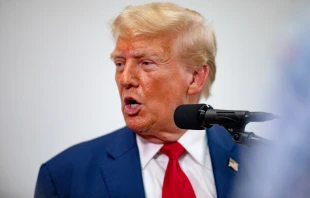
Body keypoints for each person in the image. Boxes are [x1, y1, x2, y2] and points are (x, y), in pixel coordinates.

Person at [35, 2, 249, 198]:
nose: (125, 79)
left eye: (146, 62)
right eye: (119, 63)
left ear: (195, 78)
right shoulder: (65, 177)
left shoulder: (260, 163)